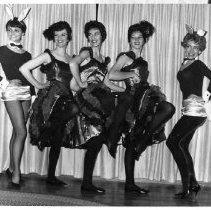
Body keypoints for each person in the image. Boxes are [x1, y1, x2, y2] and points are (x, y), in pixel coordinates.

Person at [107, 20, 175, 194]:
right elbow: (110, 76)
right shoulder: (126, 56)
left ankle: (142, 144)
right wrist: (127, 79)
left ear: (144, 40)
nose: (136, 40)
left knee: (166, 109)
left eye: (140, 37)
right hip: (134, 99)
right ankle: (130, 183)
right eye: (133, 37)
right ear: (129, 40)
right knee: (133, 137)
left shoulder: (141, 59)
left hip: (146, 95)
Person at [70, 20, 131, 193]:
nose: (93, 37)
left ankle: (86, 183)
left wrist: (124, 89)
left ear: (102, 36)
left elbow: (106, 81)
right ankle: (112, 139)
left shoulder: (103, 59)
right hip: (90, 96)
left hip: (102, 94)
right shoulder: (86, 52)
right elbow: (73, 63)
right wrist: (81, 83)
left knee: (96, 140)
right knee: (98, 137)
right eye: (90, 34)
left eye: (96, 34)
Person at [19, 21, 80, 186]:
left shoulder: (73, 59)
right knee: (74, 108)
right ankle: (47, 128)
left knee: (58, 138)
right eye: (57, 35)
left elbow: (73, 85)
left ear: (69, 38)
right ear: (53, 38)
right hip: (51, 99)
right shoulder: (48, 55)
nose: (60, 38)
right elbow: (24, 69)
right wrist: (38, 85)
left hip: (66, 98)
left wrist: (83, 84)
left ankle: (51, 176)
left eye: (63, 35)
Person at [166, 24, 211, 201]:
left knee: (172, 142)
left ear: (200, 50)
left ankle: (186, 187)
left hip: (196, 110)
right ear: (185, 46)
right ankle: (193, 184)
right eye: (189, 46)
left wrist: (206, 97)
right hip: (189, 110)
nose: (192, 50)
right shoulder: (186, 63)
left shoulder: (198, 64)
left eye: (196, 47)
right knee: (182, 145)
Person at [0, 6, 34, 187]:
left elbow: (28, 76)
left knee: (16, 131)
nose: (13, 33)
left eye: (16, 30)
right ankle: (17, 173)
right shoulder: (1, 50)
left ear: (23, 33)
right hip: (10, 93)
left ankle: (12, 168)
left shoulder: (27, 54)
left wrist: (34, 96)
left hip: (27, 93)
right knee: (22, 132)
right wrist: (5, 83)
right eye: (10, 30)